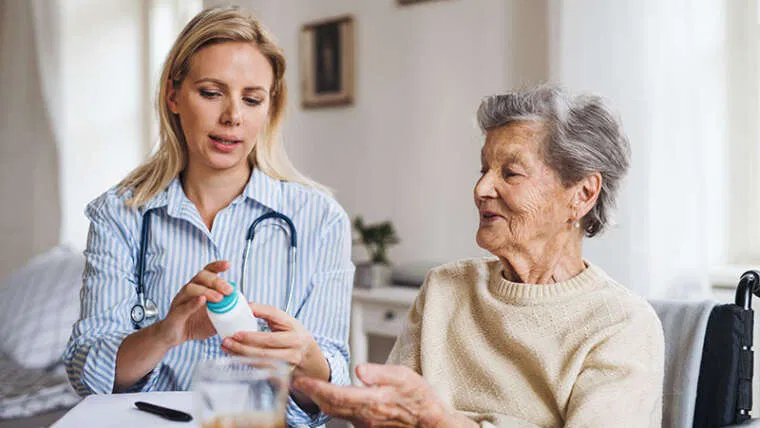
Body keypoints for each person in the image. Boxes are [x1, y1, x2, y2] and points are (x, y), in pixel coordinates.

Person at [293, 86, 665, 427]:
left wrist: (441, 422)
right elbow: (390, 415)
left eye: (511, 173)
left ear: (582, 194)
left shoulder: (621, 324)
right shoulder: (445, 287)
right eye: (484, 169)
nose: (482, 188)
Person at [63, 6, 354, 426]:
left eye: (252, 99)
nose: (233, 116)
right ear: (173, 96)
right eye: (212, 92)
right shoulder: (120, 215)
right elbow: (87, 375)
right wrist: (168, 332)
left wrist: (307, 358)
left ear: (270, 108)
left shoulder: (320, 219)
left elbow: (331, 390)